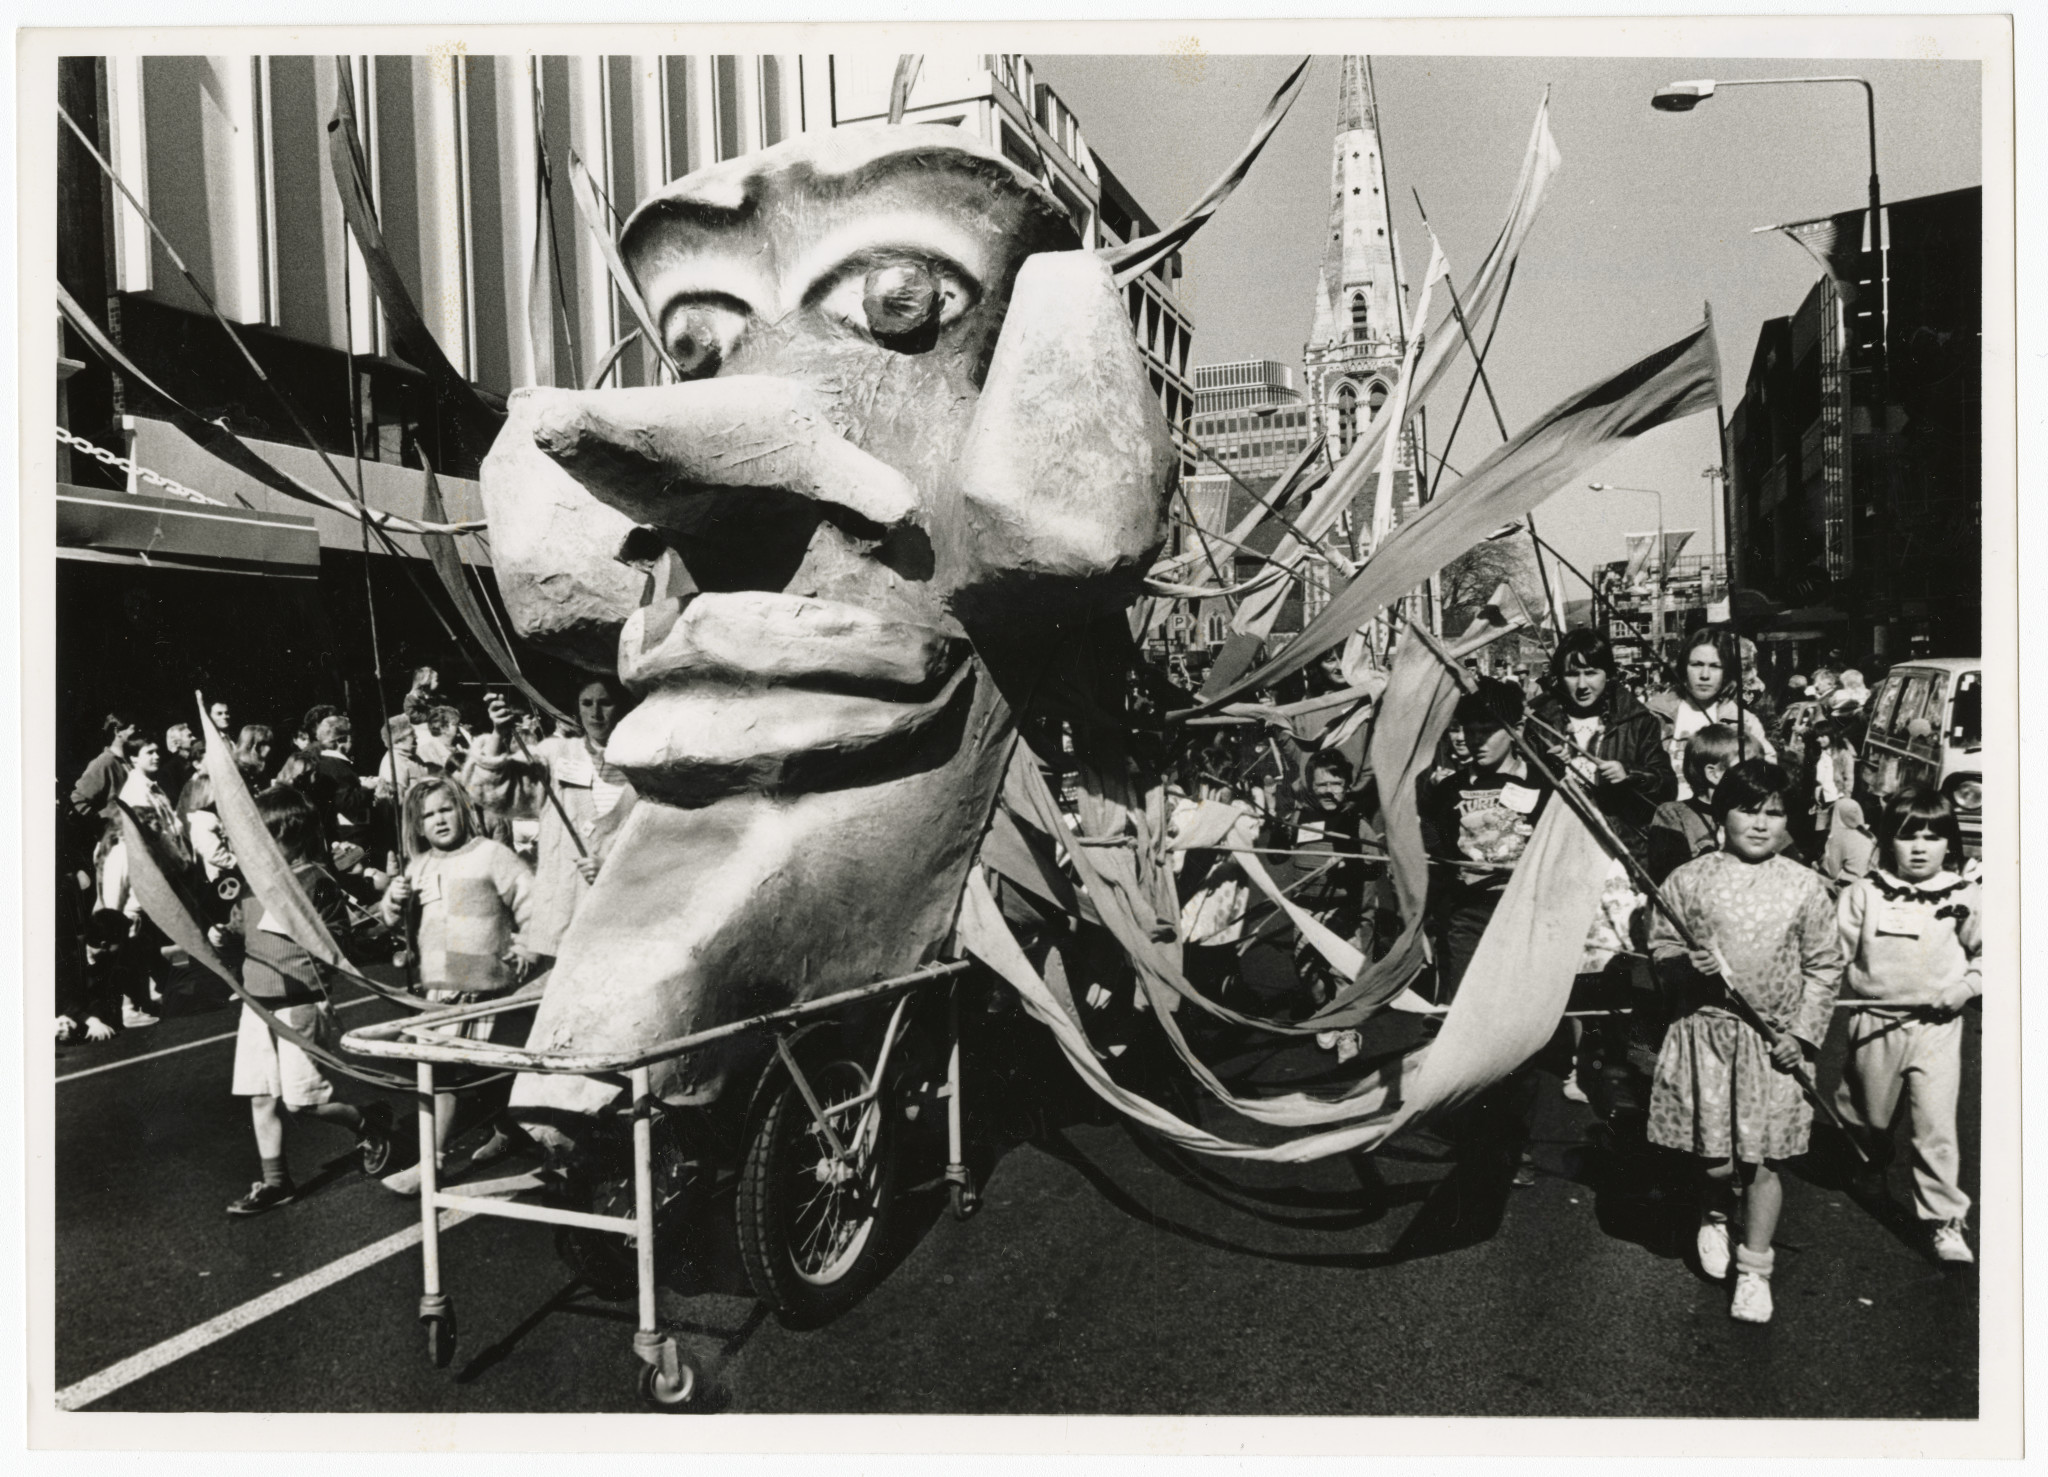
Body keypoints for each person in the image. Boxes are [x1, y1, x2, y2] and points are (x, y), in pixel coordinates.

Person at [1645, 760, 1845, 1324]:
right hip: (1705, 1037)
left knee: (1761, 1163)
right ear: (1719, 812)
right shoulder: (1689, 879)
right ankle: (1711, 1214)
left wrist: (1802, 1036)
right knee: (1713, 1160)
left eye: (1775, 812)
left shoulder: (1806, 885)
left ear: (1790, 821)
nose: (1760, 824)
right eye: (1747, 809)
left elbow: (1825, 967)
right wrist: (1687, 964)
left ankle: (1755, 1268)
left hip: (1773, 1045)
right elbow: (1659, 950)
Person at [208, 785, 393, 1217]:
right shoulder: (250, 881)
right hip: (257, 1004)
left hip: (301, 1001)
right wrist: (224, 935)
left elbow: (338, 942)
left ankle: (368, 1125)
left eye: (272, 835)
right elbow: (239, 930)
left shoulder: (316, 880)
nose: (263, 845)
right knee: (260, 1096)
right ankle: (276, 1182)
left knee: (303, 1101)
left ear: (295, 834)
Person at [1832, 787, 1981, 1264]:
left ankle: (1944, 1220)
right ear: (1886, 841)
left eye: (1933, 836)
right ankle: (1867, 1162)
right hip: (1874, 1022)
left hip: (1936, 1027)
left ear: (1949, 844)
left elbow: (1994, 955)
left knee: (1935, 1125)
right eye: (1908, 836)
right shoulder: (1864, 894)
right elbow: (1832, 954)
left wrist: (1964, 988)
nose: (1920, 847)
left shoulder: (1965, 896)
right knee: (1868, 1117)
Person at [377, 778, 537, 1193]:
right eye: (427, 815)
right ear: (418, 825)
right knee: (468, 1070)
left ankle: (433, 1162)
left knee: (449, 1071)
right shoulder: (419, 866)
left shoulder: (492, 856)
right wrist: (392, 900)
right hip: (440, 992)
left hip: (484, 989)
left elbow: (533, 905)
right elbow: (394, 923)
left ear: (462, 809)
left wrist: (526, 949)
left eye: (444, 809)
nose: (438, 820)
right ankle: (506, 1131)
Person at [466, 681, 637, 964]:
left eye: (605, 702)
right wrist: (499, 733)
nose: (595, 713)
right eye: (586, 703)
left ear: (622, 707)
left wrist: (611, 869)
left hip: (618, 922)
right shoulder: (556, 754)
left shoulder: (642, 766)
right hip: (558, 925)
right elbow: (492, 790)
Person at [1421, 678, 1553, 1003]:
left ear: (1514, 730)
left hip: (1523, 910)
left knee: (1519, 1002)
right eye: (1470, 730)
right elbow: (1434, 851)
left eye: (1487, 730)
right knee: (1469, 1001)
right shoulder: (1447, 790)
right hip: (1469, 912)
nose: (1477, 740)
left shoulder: (1541, 782)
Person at [1647, 629, 1776, 800]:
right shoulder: (1654, 714)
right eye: (1697, 664)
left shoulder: (1744, 722)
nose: (1704, 675)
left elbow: (1766, 779)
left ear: (1727, 672)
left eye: (1715, 666)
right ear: (1684, 667)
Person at [1645, 724, 1745, 885]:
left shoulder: (1751, 814)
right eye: (1744, 768)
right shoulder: (1673, 815)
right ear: (1713, 774)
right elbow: (1669, 879)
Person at [1819, 796, 1878, 893]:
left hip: (1851, 887)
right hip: (1872, 884)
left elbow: (1832, 872)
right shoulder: (1869, 834)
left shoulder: (1840, 837)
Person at [161, 721, 201, 808]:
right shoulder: (169, 770)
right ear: (176, 743)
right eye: (189, 736)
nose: (194, 738)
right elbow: (176, 802)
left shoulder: (198, 760)